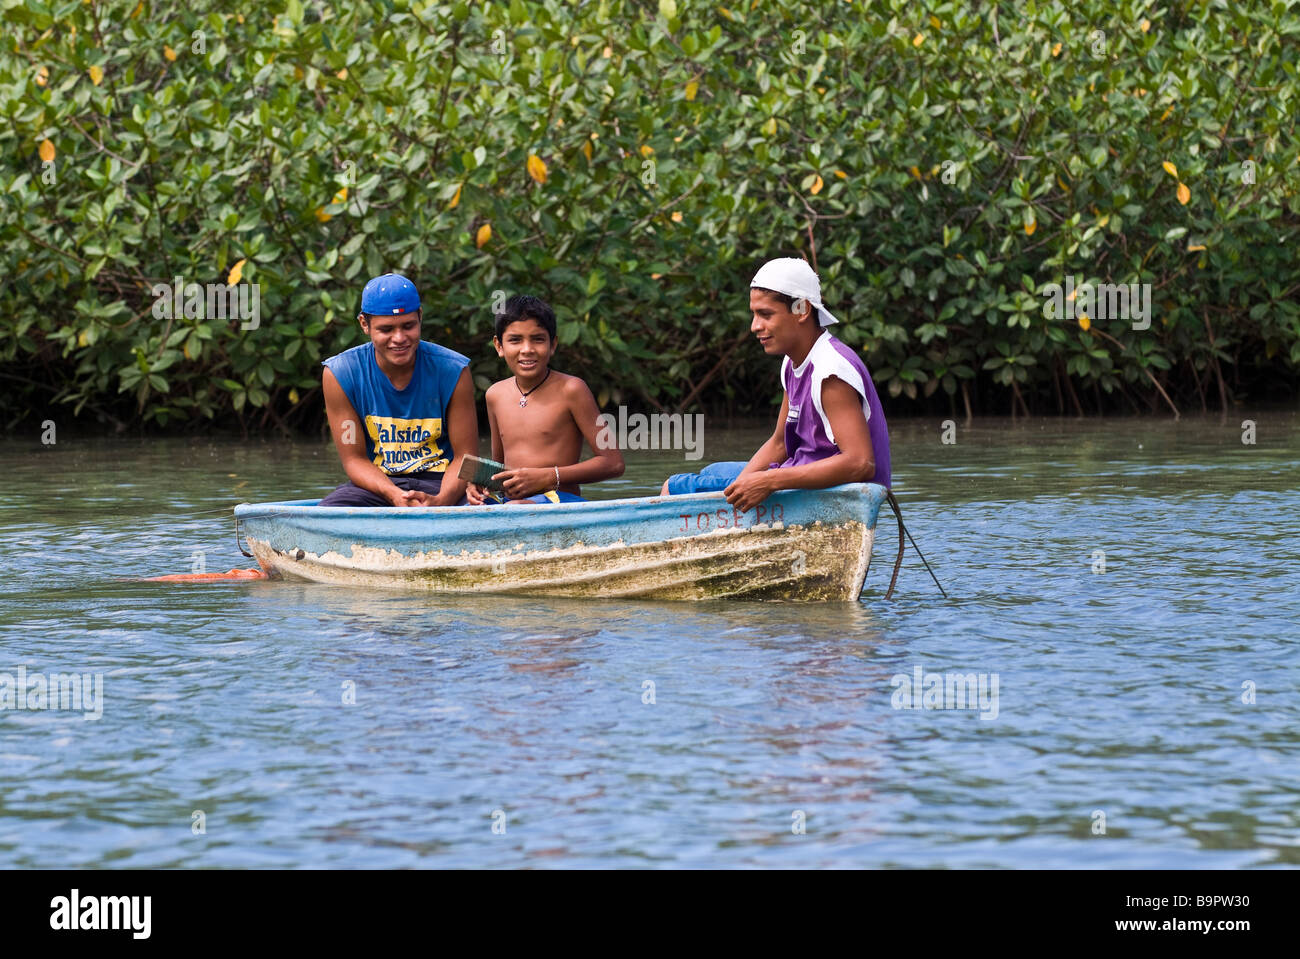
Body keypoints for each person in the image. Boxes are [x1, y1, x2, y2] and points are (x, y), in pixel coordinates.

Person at [661, 257, 890, 511]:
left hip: (832, 494)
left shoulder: (830, 371)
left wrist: (769, 481)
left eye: (766, 314)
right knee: (713, 471)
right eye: (754, 314)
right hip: (800, 475)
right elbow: (780, 443)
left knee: (674, 487)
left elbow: (861, 463)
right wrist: (743, 485)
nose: (755, 326)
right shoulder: (792, 363)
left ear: (801, 310)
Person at [317, 273, 478, 507]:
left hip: (443, 483)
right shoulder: (340, 373)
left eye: (408, 326)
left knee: (483, 505)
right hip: (379, 485)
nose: (399, 338)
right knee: (330, 511)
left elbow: (466, 459)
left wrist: (440, 502)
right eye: (386, 330)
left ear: (420, 317)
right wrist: (394, 495)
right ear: (364, 324)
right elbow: (354, 460)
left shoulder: (453, 370)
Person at [466, 294, 624, 505]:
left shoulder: (572, 389)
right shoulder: (494, 394)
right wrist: (480, 484)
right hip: (512, 502)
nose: (527, 349)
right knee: (463, 505)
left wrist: (548, 477)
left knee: (514, 509)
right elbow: (499, 465)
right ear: (499, 346)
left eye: (538, 339)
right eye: (515, 340)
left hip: (559, 499)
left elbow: (613, 463)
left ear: (552, 345)